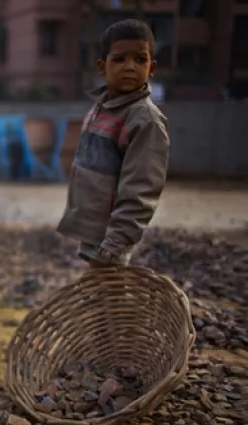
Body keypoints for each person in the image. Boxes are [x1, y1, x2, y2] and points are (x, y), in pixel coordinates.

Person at [57, 19, 170, 267]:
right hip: (94, 230)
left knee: (111, 286)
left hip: (111, 237)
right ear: (102, 66)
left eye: (140, 59)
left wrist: (117, 240)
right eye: (119, 59)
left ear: (151, 67)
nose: (130, 67)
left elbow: (141, 187)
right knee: (99, 286)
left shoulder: (144, 120)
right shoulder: (102, 108)